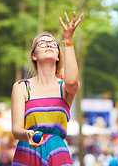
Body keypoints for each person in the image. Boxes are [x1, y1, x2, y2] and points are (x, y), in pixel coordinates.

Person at [11, 11, 83, 166]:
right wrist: (27, 134)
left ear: (58, 56)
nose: (49, 44)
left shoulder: (64, 86)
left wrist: (68, 40)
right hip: (27, 151)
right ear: (33, 56)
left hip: (57, 152)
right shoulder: (22, 87)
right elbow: (16, 130)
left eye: (53, 44)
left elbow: (72, 81)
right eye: (42, 43)